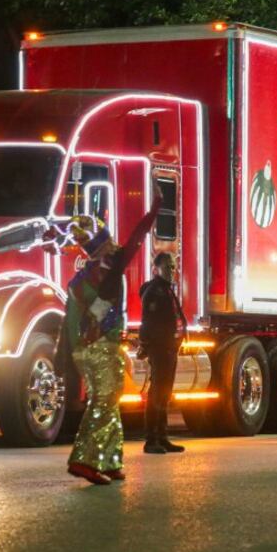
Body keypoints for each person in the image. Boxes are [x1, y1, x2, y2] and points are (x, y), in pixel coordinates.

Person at [63, 193, 159, 486]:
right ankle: (84, 460)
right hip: (101, 348)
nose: (117, 248)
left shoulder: (82, 278)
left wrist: (72, 354)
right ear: (103, 246)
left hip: (88, 349)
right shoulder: (109, 270)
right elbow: (136, 239)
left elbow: (70, 322)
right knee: (103, 403)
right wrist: (154, 210)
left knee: (110, 401)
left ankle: (112, 461)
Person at [139, 252, 187, 454]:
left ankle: (163, 437)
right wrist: (146, 344)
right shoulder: (154, 291)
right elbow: (147, 322)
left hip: (169, 348)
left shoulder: (167, 290)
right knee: (157, 393)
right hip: (160, 349)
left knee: (165, 393)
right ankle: (151, 440)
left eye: (173, 267)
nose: (172, 270)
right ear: (156, 269)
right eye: (167, 267)